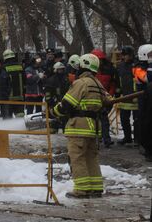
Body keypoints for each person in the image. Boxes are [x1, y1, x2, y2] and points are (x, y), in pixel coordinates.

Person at [50, 53, 110, 198]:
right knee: (91, 157)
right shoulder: (99, 85)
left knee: (77, 157)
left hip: (79, 127)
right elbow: (107, 105)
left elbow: (66, 104)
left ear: (83, 66)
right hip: (94, 127)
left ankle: (82, 189)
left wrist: (54, 112)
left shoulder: (81, 83)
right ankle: (96, 188)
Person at [92, 49, 117, 147]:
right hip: (93, 99)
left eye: (100, 59)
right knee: (94, 121)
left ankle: (106, 139)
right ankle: (96, 139)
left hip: (106, 100)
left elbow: (113, 85)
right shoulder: (90, 72)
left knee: (104, 119)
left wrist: (109, 97)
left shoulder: (110, 70)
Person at [116, 46, 138, 145]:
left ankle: (138, 139)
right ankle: (127, 137)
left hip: (136, 95)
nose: (124, 57)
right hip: (124, 95)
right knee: (124, 118)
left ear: (131, 55)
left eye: (126, 55)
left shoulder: (137, 65)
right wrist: (118, 90)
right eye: (123, 55)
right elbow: (117, 79)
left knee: (137, 119)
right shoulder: (120, 66)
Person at [136, 44, 152, 161]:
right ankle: (146, 148)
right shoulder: (138, 68)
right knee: (145, 123)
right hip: (144, 100)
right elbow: (147, 78)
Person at [4, 49, 26, 117]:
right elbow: (25, 80)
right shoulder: (20, 67)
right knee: (20, 116)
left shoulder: (4, 68)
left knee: (8, 118)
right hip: (20, 97)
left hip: (8, 97)